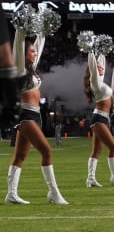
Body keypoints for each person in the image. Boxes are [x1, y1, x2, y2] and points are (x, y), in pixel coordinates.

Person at [6, 21, 68, 204]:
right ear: (23, 54)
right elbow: (18, 46)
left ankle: (11, 194)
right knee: (46, 151)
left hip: (35, 115)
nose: (34, 53)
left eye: (34, 51)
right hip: (25, 115)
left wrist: (43, 28)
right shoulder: (18, 69)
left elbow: (39, 45)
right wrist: (21, 29)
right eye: (31, 51)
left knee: (20, 156)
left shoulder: (31, 69)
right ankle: (53, 193)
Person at [83, 51, 114, 188]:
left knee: (97, 150)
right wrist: (90, 50)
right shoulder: (94, 82)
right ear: (93, 69)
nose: (102, 68)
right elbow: (93, 65)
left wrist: (101, 51)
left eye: (102, 66)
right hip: (99, 118)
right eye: (98, 67)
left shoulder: (100, 82)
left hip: (104, 118)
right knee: (113, 147)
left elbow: (102, 63)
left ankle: (90, 179)